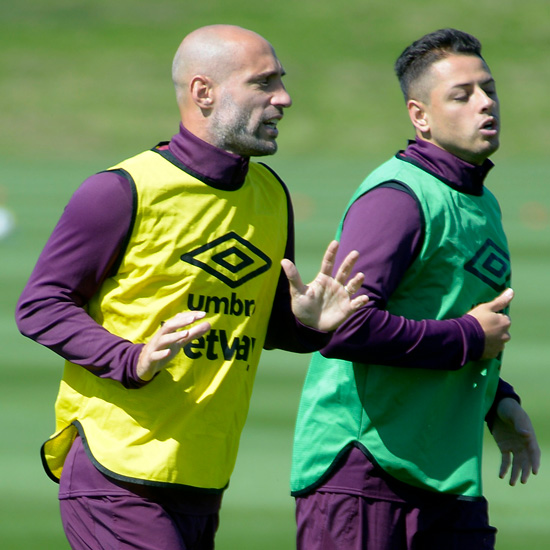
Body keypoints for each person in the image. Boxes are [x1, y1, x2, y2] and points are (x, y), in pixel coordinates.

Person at [15, 25, 368, 550]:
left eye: (282, 81)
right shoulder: (121, 190)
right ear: (205, 93)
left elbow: (267, 326)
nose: (284, 98)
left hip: (203, 475)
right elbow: (40, 305)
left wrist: (311, 325)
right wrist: (130, 358)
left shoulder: (270, 193)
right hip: (118, 472)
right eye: (263, 83)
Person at [291, 28, 541, 550]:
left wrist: (499, 402)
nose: (486, 103)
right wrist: (470, 339)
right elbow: (345, 329)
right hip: (365, 475)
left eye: (489, 89)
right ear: (420, 116)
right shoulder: (398, 198)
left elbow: (443, 311)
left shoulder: (482, 202)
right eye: (462, 94)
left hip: (445, 473)